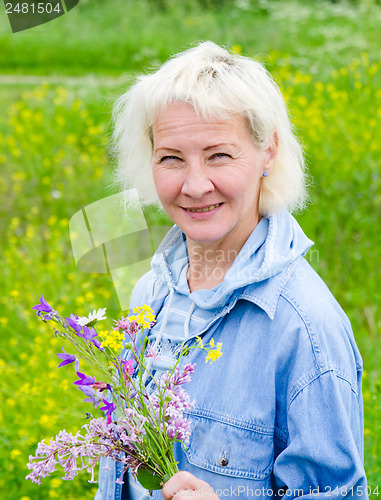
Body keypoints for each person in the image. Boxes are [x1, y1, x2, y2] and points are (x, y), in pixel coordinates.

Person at [95, 41, 367, 500]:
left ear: (268, 153)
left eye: (219, 155)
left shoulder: (304, 329)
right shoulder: (149, 295)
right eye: (171, 158)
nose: (195, 185)